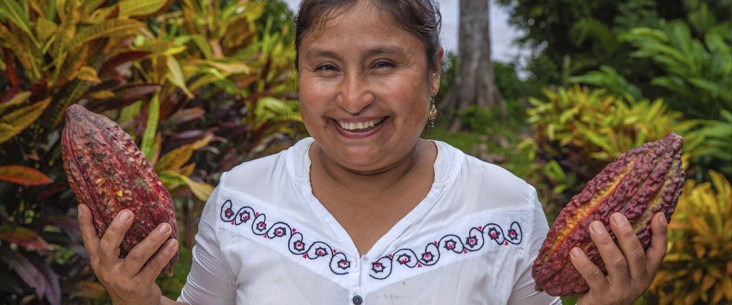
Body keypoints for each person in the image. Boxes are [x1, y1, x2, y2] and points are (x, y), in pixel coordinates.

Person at [77, 0, 669, 304]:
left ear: (435, 71)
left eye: (384, 64)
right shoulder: (241, 200)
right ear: (299, 76)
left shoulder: (507, 208)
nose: (353, 97)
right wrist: (139, 298)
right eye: (327, 67)